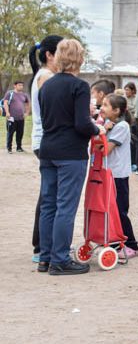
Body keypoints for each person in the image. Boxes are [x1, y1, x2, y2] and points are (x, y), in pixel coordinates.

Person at [38, 39, 106, 275]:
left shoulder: (46, 85)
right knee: (65, 206)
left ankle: (45, 257)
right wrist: (97, 129)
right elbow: (81, 124)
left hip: (48, 148)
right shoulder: (79, 86)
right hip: (70, 152)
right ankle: (60, 259)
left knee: (48, 205)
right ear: (80, 58)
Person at [28, 35, 62, 263]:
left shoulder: (44, 75)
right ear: (50, 55)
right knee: (51, 197)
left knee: (48, 195)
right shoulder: (47, 77)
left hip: (44, 140)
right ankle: (42, 245)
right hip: (47, 140)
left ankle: (41, 244)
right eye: (61, 51)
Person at [99, 93, 138, 259]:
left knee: (120, 211)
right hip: (108, 173)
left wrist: (103, 132)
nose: (102, 108)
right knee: (109, 210)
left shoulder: (122, 126)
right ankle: (115, 242)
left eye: (106, 105)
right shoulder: (111, 124)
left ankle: (131, 245)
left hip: (118, 176)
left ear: (116, 111)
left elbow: (105, 150)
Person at [4, 81, 30, 153]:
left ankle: (19, 147)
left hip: (21, 118)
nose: (21, 86)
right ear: (14, 86)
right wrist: (7, 112)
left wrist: (27, 113)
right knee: (10, 133)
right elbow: (5, 103)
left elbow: (28, 104)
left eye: (22, 85)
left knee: (20, 133)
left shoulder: (24, 95)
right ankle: (9, 148)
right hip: (11, 118)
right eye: (19, 85)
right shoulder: (10, 93)